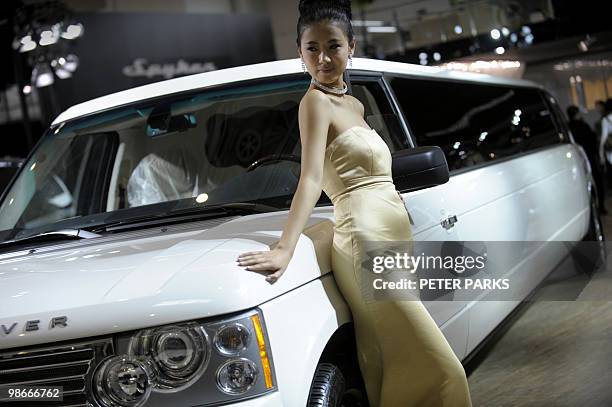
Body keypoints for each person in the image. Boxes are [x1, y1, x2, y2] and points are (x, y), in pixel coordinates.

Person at [236, 1, 473, 406]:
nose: (323, 58)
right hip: (363, 239)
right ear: (299, 52)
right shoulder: (314, 103)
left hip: (393, 235)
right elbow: (310, 178)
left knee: (394, 354)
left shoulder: (356, 104)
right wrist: (284, 247)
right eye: (312, 48)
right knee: (439, 364)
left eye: (333, 46)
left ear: (352, 47)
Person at [567, 105, 607, 214]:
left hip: (576, 159)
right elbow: (592, 140)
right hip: (589, 157)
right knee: (596, 181)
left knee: (583, 184)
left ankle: (589, 208)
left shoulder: (568, 127)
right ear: (577, 114)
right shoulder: (583, 125)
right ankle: (601, 206)